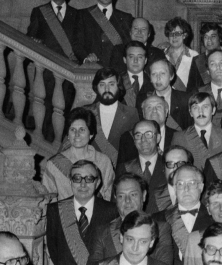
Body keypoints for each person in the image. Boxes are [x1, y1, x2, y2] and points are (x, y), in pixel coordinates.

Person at [26, 0, 85, 135]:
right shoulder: (40, 11)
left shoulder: (76, 14)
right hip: (45, 74)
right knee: (45, 114)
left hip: (68, 74)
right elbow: (29, 38)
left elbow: (80, 43)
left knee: (66, 115)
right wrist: (35, 42)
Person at [91, 173, 174, 265]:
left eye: (133, 194)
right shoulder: (102, 232)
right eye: (121, 196)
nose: (127, 200)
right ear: (115, 198)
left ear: (144, 195)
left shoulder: (161, 229)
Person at [42, 108, 115, 201]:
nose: (77, 134)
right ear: (68, 134)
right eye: (72, 130)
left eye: (82, 130)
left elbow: (109, 196)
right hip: (65, 214)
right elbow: (48, 200)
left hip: (98, 214)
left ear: (91, 134)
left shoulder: (103, 161)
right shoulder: (54, 164)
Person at [153, 164, 214, 265]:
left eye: (192, 183)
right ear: (175, 188)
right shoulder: (158, 219)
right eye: (180, 184)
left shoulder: (214, 218)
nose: (186, 189)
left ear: (201, 187)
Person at [83, 67, 140, 166]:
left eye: (111, 84)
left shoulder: (131, 114)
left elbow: (134, 152)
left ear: (119, 86)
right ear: (96, 88)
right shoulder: (86, 112)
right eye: (102, 85)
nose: (107, 89)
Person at [117, 120, 169, 212]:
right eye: (138, 135)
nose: (143, 139)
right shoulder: (125, 168)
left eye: (148, 134)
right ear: (134, 140)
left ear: (157, 138)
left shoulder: (169, 166)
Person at [170, 92, 222, 169]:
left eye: (205, 107)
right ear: (190, 112)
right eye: (195, 108)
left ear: (213, 110)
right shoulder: (179, 138)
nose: (200, 112)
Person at [118, 95, 178, 165]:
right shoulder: (128, 138)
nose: (154, 111)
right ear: (143, 113)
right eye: (149, 107)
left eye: (159, 107)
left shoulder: (177, 136)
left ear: (166, 111)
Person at [80, 0, 133, 67]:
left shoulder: (126, 18)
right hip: (90, 70)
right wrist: (86, 58)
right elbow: (77, 44)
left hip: (117, 71)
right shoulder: (83, 14)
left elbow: (128, 47)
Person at [148, 58, 193, 131]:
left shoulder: (185, 98)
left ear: (171, 76)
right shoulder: (144, 99)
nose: (158, 78)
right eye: (154, 74)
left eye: (162, 73)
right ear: (150, 78)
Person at [149, 145, 193, 212]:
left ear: (190, 167)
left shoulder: (200, 194)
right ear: (164, 169)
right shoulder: (152, 197)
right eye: (170, 164)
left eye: (181, 164)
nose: (175, 168)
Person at [164, 17, 201, 93]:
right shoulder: (161, 55)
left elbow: (201, 84)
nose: (174, 37)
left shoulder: (195, 56)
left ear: (184, 35)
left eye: (177, 33)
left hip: (186, 98)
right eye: (171, 34)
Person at [117, 41, 154, 110]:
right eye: (131, 57)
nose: (135, 61)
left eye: (140, 57)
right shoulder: (116, 81)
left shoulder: (153, 81)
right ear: (125, 60)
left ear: (145, 60)